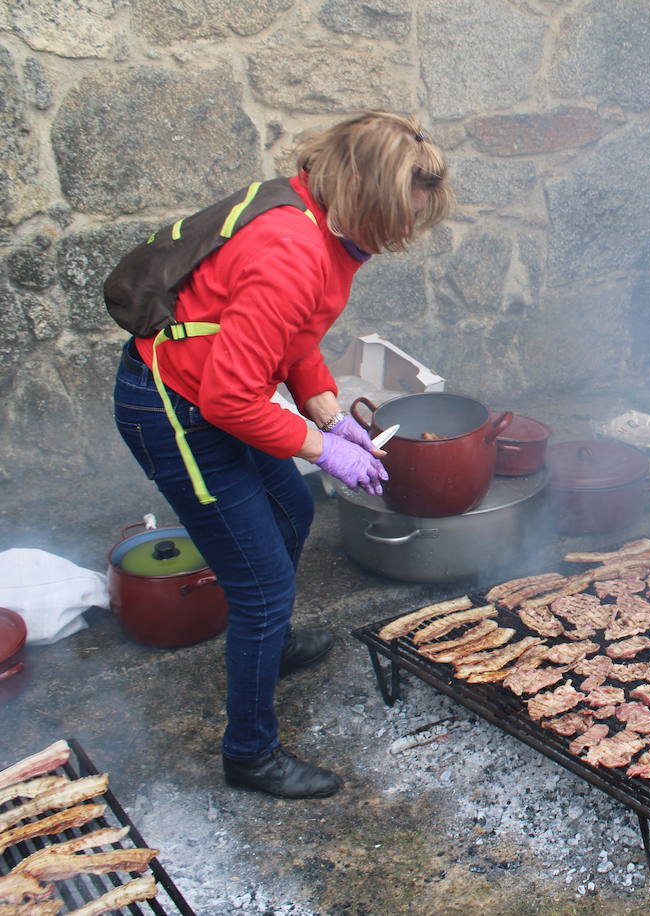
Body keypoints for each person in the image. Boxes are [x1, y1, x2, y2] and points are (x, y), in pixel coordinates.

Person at [112, 112, 451, 799]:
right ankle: (250, 756)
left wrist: (328, 412)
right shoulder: (290, 252)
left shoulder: (317, 218)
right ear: (361, 190)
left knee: (291, 508)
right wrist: (323, 448)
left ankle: (267, 641)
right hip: (178, 410)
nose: (400, 238)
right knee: (263, 583)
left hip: (219, 390)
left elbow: (294, 339)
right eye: (395, 218)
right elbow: (228, 401)